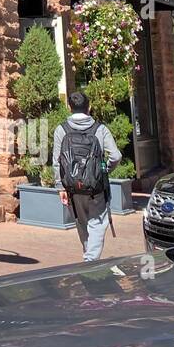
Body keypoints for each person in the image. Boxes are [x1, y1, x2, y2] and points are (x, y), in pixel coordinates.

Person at [53, 90, 122, 262]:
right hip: (96, 187)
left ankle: (89, 257)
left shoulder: (61, 129)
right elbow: (116, 156)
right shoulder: (100, 129)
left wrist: (59, 186)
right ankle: (90, 261)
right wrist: (104, 171)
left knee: (82, 222)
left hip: (73, 187)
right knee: (98, 223)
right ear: (89, 107)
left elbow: (57, 161)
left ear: (69, 107)